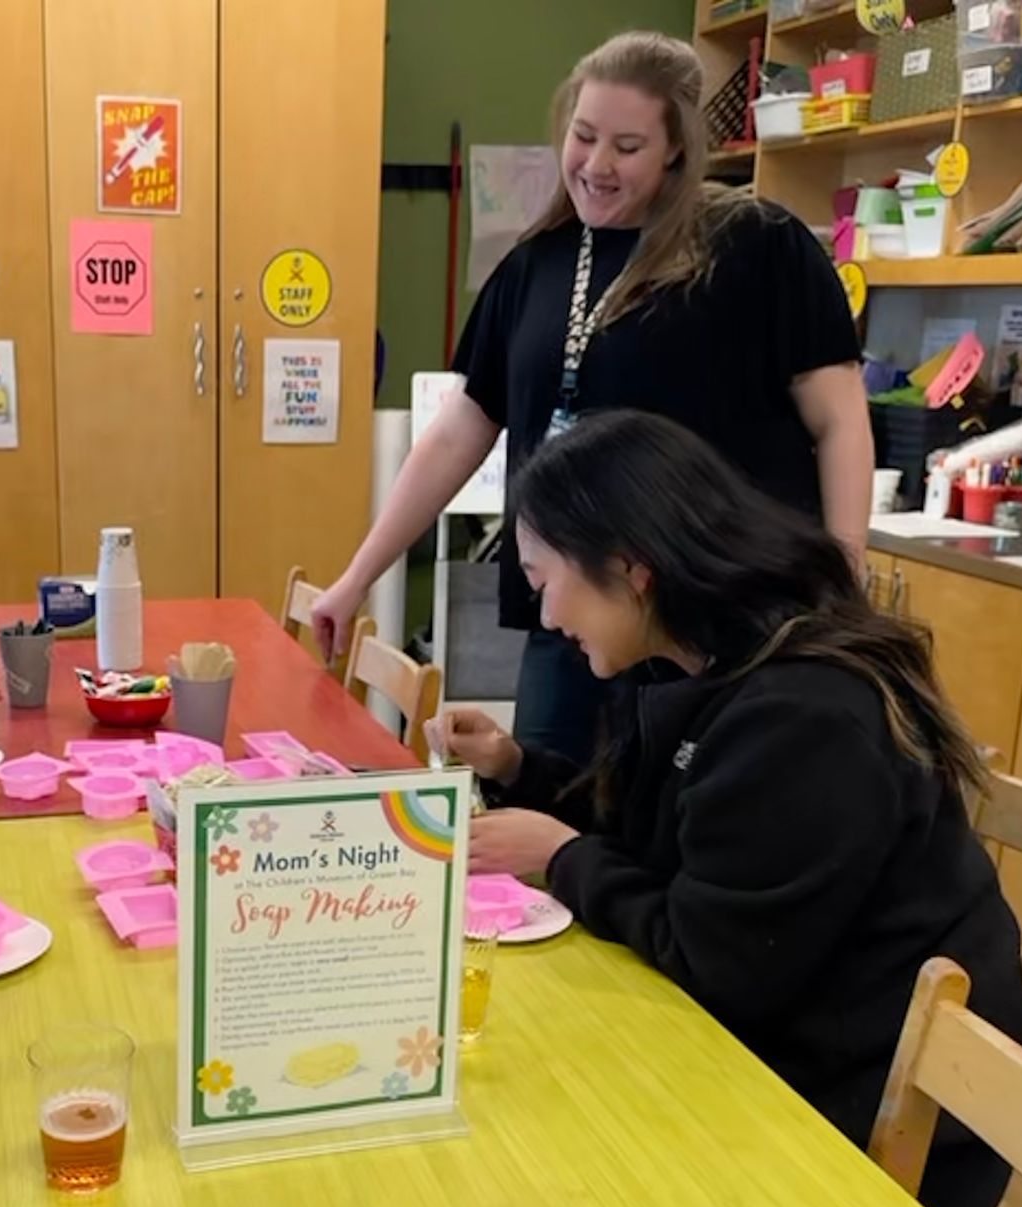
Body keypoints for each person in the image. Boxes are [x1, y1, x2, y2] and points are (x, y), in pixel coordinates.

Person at [434, 410, 1022, 1207]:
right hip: (788, 1043)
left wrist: (565, 857)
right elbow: (672, 840)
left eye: (543, 581)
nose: (544, 617)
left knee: (552, 1181)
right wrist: (517, 770)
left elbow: (712, 963)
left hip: (884, 1126)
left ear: (629, 569)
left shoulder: (805, 714)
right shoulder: (706, 660)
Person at [312, 31, 874, 762]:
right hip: (572, 620)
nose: (597, 166)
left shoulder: (757, 247)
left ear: (677, 149)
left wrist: (845, 577)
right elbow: (461, 431)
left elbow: (840, 422)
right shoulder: (535, 264)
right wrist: (357, 578)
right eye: (583, 137)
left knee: (688, 837)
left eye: (628, 146)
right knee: (550, 813)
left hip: (717, 619)